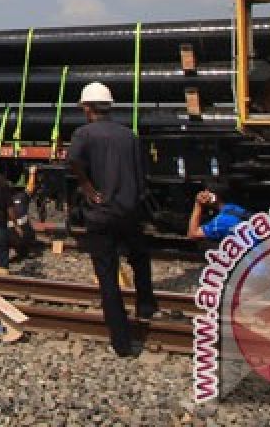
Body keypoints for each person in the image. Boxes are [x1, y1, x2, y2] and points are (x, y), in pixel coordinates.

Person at [66, 82, 158, 358]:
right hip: (128, 212)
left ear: (87, 108)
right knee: (140, 258)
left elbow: (72, 161)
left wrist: (86, 187)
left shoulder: (84, 134)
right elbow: (142, 176)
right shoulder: (128, 135)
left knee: (107, 277)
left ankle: (122, 342)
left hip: (101, 216)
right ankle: (145, 304)